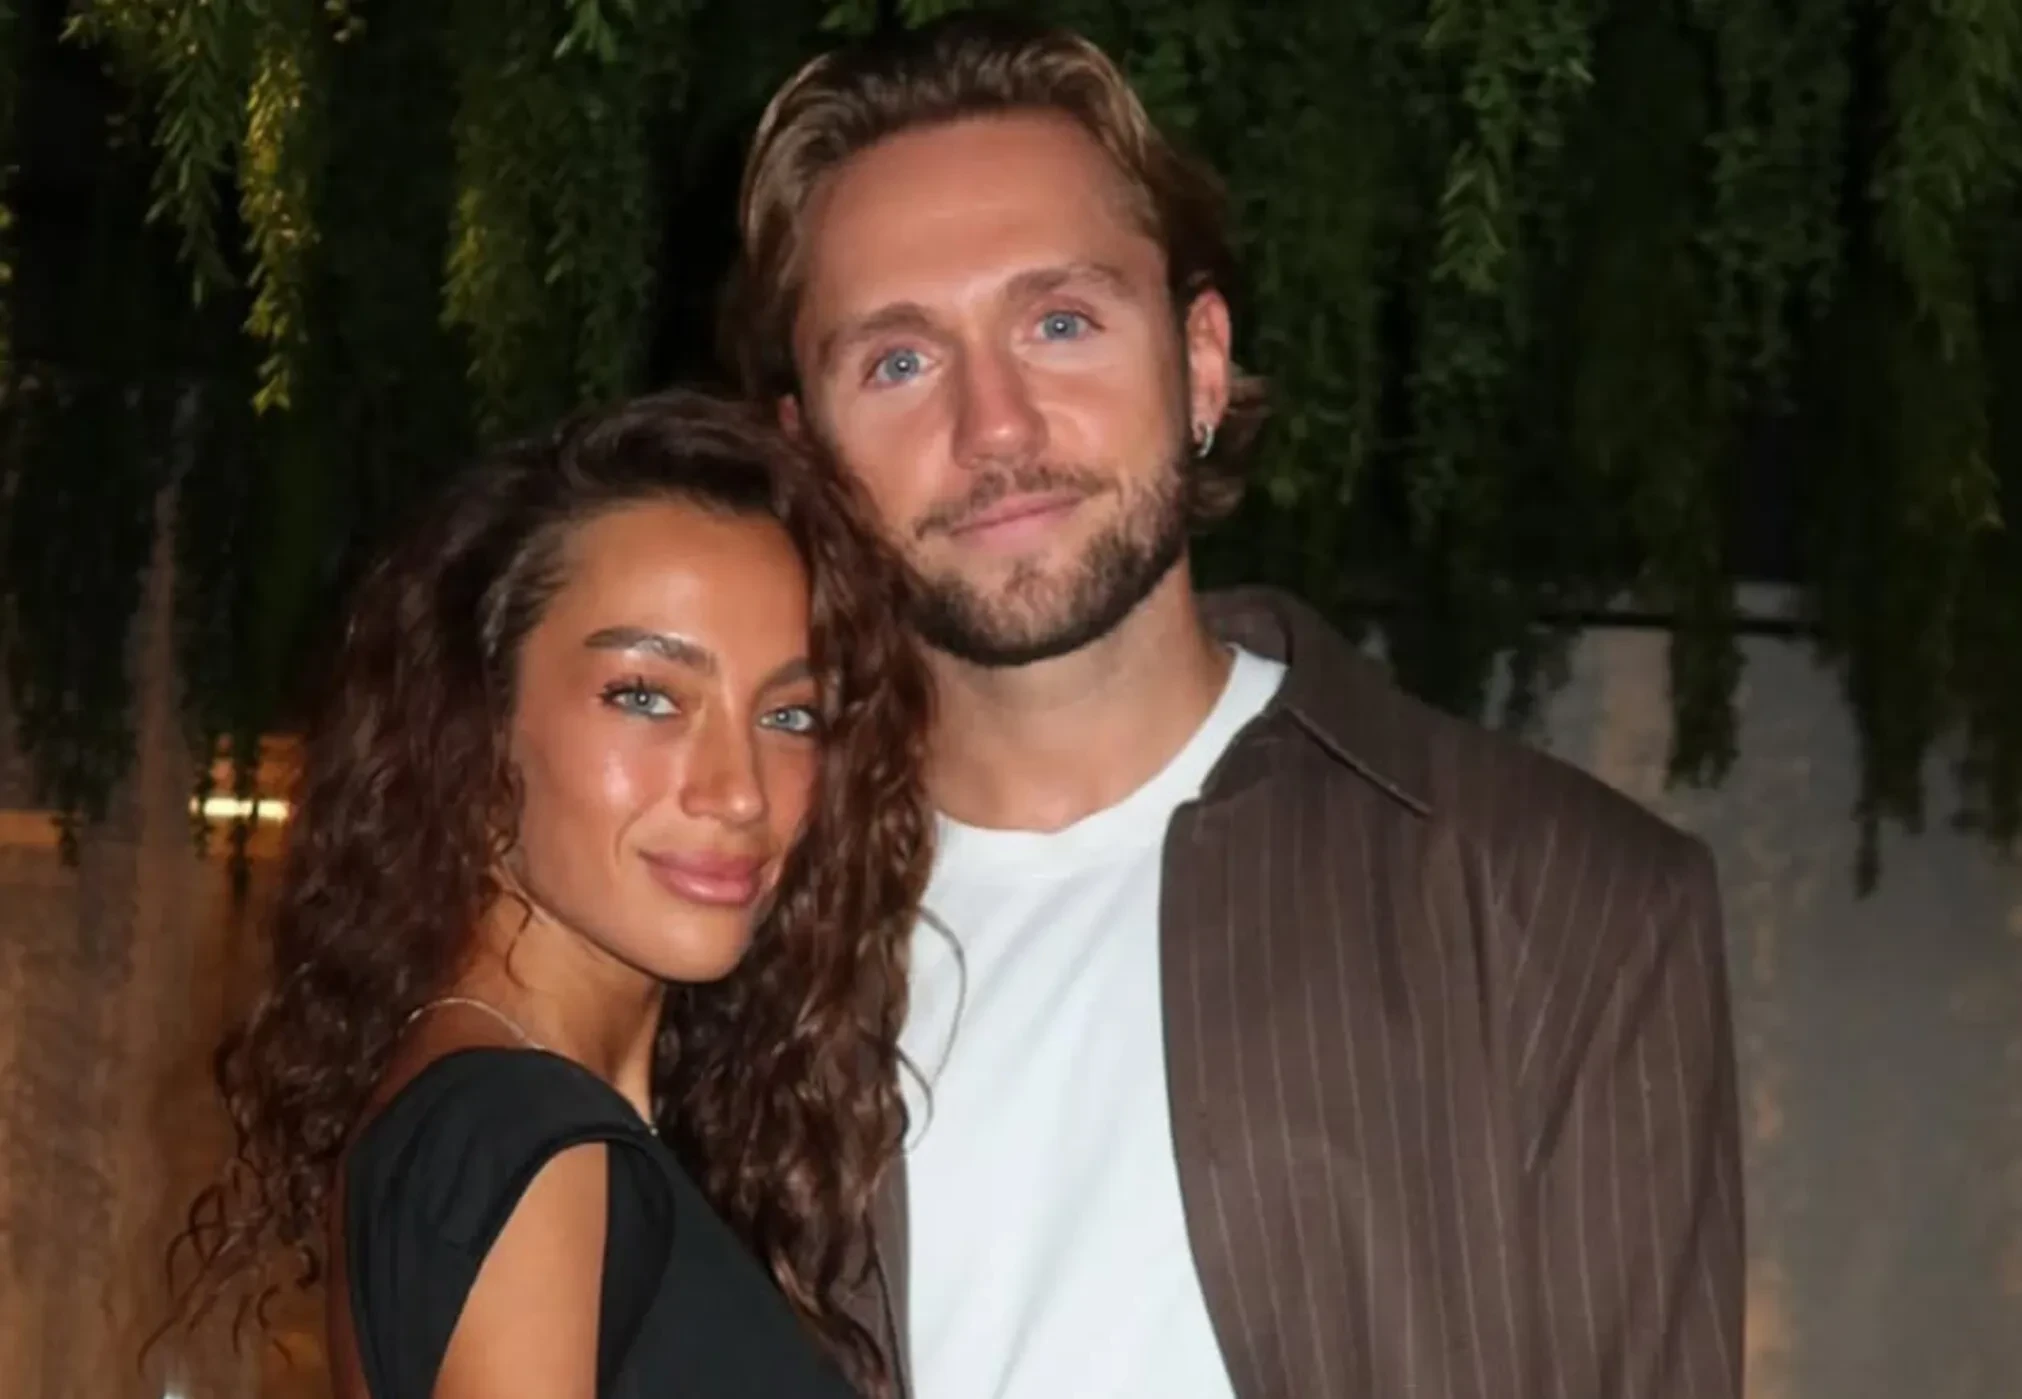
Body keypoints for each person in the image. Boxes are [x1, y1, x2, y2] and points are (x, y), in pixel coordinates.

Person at [725, 13, 1744, 1399]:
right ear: (803, 451)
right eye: (898, 361)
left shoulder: (1560, 896)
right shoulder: (730, 935)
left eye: (1061, 322)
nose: (996, 425)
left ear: (1199, 360)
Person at [168, 391, 932, 1398]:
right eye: (646, 696)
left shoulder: (500, 1118)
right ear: (477, 726)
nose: (740, 790)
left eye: (791, 715)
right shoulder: (524, 1138)